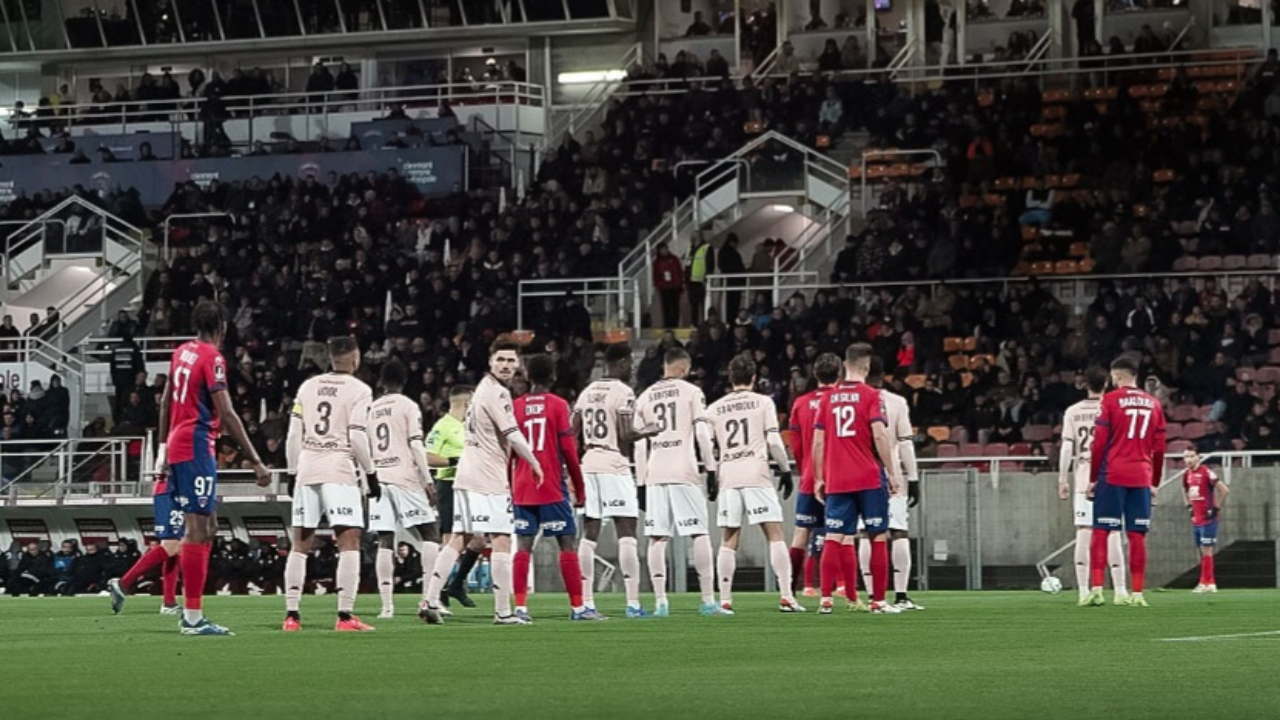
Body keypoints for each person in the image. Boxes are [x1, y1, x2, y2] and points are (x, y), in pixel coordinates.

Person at [129, 301, 268, 635]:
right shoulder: (211, 357)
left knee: (207, 525)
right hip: (195, 444)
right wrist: (256, 460)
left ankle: (192, 613)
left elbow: (165, 403)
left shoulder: (182, 352)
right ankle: (192, 618)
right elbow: (228, 412)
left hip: (179, 443)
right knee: (197, 527)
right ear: (221, 325)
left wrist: (162, 449)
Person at [420, 336, 543, 625]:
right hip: (487, 476)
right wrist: (535, 462)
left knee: (458, 540)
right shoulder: (497, 394)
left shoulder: (481, 392)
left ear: (519, 365)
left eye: (511, 360)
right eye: (500, 359)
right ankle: (503, 611)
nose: (506, 365)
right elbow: (512, 433)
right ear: (490, 362)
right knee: (501, 539)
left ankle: (431, 599)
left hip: (466, 474)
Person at [283, 336, 378, 632]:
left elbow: (293, 434)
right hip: (338, 468)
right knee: (349, 541)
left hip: (308, 468)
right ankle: (345, 617)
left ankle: (292, 616)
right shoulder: (360, 390)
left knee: (300, 544)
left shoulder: (308, 387)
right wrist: (371, 473)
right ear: (355, 357)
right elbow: (358, 435)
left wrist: (291, 471)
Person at [813, 343, 903, 615]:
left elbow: (818, 442)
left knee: (834, 536)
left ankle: (826, 600)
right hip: (867, 477)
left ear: (845, 365)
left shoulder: (827, 398)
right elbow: (879, 435)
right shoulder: (871, 396)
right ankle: (878, 602)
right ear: (866, 367)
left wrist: (819, 477)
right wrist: (892, 472)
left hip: (837, 479)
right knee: (877, 536)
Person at [708, 355, 803, 614]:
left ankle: (725, 600)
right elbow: (773, 441)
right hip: (756, 474)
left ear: (730, 378)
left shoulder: (714, 408)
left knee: (729, 538)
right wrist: (785, 469)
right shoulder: (763, 402)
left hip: (728, 475)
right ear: (753, 377)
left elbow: (706, 444)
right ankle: (786, 596)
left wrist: (711, 472)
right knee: (775, 534)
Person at [633, 347, 721, 617]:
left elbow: (638, 446)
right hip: (684, 468)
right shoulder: (691, 392)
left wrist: (640, 482)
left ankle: (661, 603)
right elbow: (703, 434)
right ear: (684, 368)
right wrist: (712, 468)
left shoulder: (645, 396)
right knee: (699, 532)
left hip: (656, 471)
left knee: (657, 537)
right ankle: (707, 600)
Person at [511, 354, 597, 622]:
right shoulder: (559, 405)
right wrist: (580, 490)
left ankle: (521, 608)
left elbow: (508, 453)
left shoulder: (515, 407)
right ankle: (578, 607)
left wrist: (509, 485)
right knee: (567, 544)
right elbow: (570, 452)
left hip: (522, 487)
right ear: (553, 376)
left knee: (523, 546)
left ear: (528, 376)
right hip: (551, 486)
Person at [1083, 356, 1167, 608]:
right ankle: (1138, 594)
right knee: (1137, 535)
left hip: (1113, 473)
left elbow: (1099, 443)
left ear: (1116, 376)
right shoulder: (1154, 404)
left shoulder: (1109, 400)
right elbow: (1160, 448)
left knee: (1101, 530)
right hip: (1141, 475)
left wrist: (1093, 478)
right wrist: (1154, 482)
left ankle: (1097, 590)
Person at [573, 343, 650, 618]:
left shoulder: (587, 391)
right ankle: (632, 604)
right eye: (629, 363)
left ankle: (586, 603)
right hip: (614, 464)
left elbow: (572, 432)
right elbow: (627, 434)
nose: (631, 368)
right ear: (620, 363)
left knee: (589, 533)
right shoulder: (624, 392)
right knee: (627, 530)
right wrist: (649, 430)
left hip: (589, 464)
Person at [367, 360, 441, 620]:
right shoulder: (408, 406)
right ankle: (429, 599)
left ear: (382, 382)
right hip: (404, 477)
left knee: (385, 541)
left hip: (378, 479)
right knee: (430, 534)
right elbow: (416, 444)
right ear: (404, 380)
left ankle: (387, 607)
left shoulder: (371, 409)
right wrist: (427, 479)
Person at [1058, 366, 1127, 603]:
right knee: (1113, 533)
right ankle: (1120, 591)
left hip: (1083, 477)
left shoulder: (1073, 411)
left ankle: (1084, 592)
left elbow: (1067, 447)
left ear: (1085, 384)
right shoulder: (1114, 408)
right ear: (1107, 383)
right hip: (1111, 478)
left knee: (1084, 533)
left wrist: (1062, 479)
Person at [860, 357, 923, 610]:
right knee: (898, 532)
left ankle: (872, 595)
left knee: (866, 533)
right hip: (891, 474)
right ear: (883, 373)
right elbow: (906, 441)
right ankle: (901, 595)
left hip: (860, 473)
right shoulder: (897, 402)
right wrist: (914, 478)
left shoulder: (855, 401)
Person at [425, 385, 486, 610]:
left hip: (471, 486)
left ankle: (457, 584)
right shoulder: (443, 426)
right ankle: (438, 594)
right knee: (450, 541)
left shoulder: (470, 427)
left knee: (478, 541)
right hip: (449, 486)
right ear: (466, 403)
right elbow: (428, 456)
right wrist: (455, 461)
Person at [787, 353, 842, 598]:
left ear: (815, 374)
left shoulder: (800, 403)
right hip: (840, 477)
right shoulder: (842, 402)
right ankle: (839, 589)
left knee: (801, 533)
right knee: (842, 533)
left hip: (810, 477)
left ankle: (789, 589)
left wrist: (805, 468)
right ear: (839, 374)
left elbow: (796, 445)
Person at [107, 473, 184, 614]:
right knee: (171, 546)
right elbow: (166, 459)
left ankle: (169, 603)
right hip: (170, 490)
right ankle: (123, 583)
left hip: (178, 490)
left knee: (176, 547)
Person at [1182, 448, 1228, 594]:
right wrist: (1188, 506)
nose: (1188, 459)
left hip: (1208, 518)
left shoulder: (1206, 472)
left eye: (1191, 456)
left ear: (1198, 457)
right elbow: (1184, 490)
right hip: (1196, 518)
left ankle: (1203, 582)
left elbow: (1224, 490)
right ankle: (1211, 582)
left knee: (1207, 549)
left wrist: (1215, 508)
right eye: (1186, 457)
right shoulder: (1186, 474)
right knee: (1200, 551)